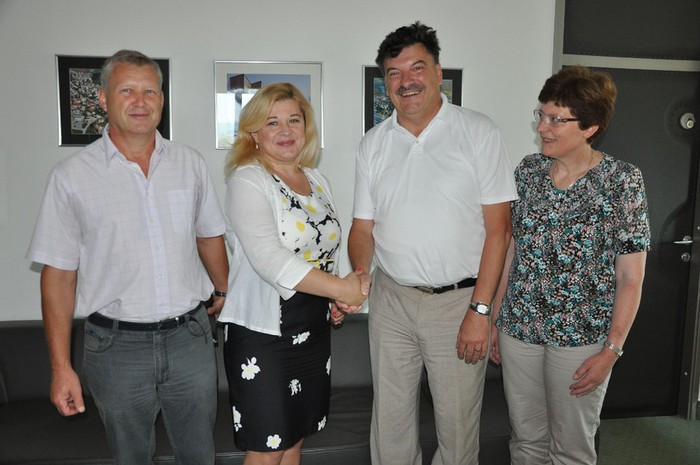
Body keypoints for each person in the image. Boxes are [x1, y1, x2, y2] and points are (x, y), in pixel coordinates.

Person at [26, 50, 229, 465]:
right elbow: (58, 276)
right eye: (126, 91)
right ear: (103, 99)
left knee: (199, 454)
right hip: (116, 347)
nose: (140, 101)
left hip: (189, 339)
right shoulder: (71, 176)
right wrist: (61, 368)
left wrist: (224, 289)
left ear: (162, 99)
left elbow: (209, 235)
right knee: (131, 457)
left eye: (150, 91)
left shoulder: (190, 163)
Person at [347, 22, 518, 465]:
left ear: (439, 72)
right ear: (385, 82)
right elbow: (362, 228)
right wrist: (359, 277)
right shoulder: (373, 144)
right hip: (391, 300)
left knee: (457, 429)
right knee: (390, 425)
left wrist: (481, 311)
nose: (406, 81)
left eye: (417, 68)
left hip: (459, 304)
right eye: (394, 73)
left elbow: (500, 231)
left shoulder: (478, 132)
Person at [490, 66, 650, 464]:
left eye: (556, 120)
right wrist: (496, 316)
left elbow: (631, 277)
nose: (542, 127)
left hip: (581, 338)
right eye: (541, 115)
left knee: (571, 448)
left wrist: (611, 350)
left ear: (590, 127)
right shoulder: (528, 171)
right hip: (519, 329)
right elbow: (513, 248)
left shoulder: (622, 181)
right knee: (526, 440)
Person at [220, 82, 367, 465]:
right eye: (272, 122)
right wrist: (342, 289)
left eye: (294, 120)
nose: (285, 131)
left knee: (294, 440)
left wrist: (334, 298)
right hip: (263, 336)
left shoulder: (318, 181)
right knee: (267, 449)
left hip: (312, 330)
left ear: (306, 127)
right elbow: (269, 259)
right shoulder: (247, 180)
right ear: (254, 132)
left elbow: (326, 250)